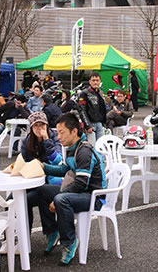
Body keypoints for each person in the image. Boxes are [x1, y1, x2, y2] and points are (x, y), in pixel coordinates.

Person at [37, 113, 107, 266]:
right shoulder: (72, 148)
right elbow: (64, 170)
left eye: (62, 132)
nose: (59, 136)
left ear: (74, 131)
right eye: (57, 132)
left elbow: (81, 183)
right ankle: (52, 231)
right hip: (81, 192)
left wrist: (59, 196)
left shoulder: (84, 151)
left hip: (93, 196)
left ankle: (69, 242)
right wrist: (43, 167)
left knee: (61, 199)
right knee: (42, 191)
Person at [20, 112, 63, 228]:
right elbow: (23, 161)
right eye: (36, 125)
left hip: (52, 181)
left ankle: (51, 231)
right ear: (31, 127)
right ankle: (19, 234)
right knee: (13, 199)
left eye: (42, 125)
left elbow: (58, 161)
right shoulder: (28, 141)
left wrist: (46, 140)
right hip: (32, 180)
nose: (39, 129)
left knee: (25, 200)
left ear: (47, 125)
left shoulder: (54, 137)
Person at [77, 73, 107, 141]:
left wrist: (104, 123)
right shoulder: (84, 93)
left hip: (100, 124)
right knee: (91, 146)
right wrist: (88, 125)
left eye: (97, 80)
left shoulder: (100, 93)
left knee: (100, 147)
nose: (95, 82)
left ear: (100, 82)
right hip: (91, 124)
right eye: (93, 80)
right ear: (90, 82)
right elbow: (82, 110)